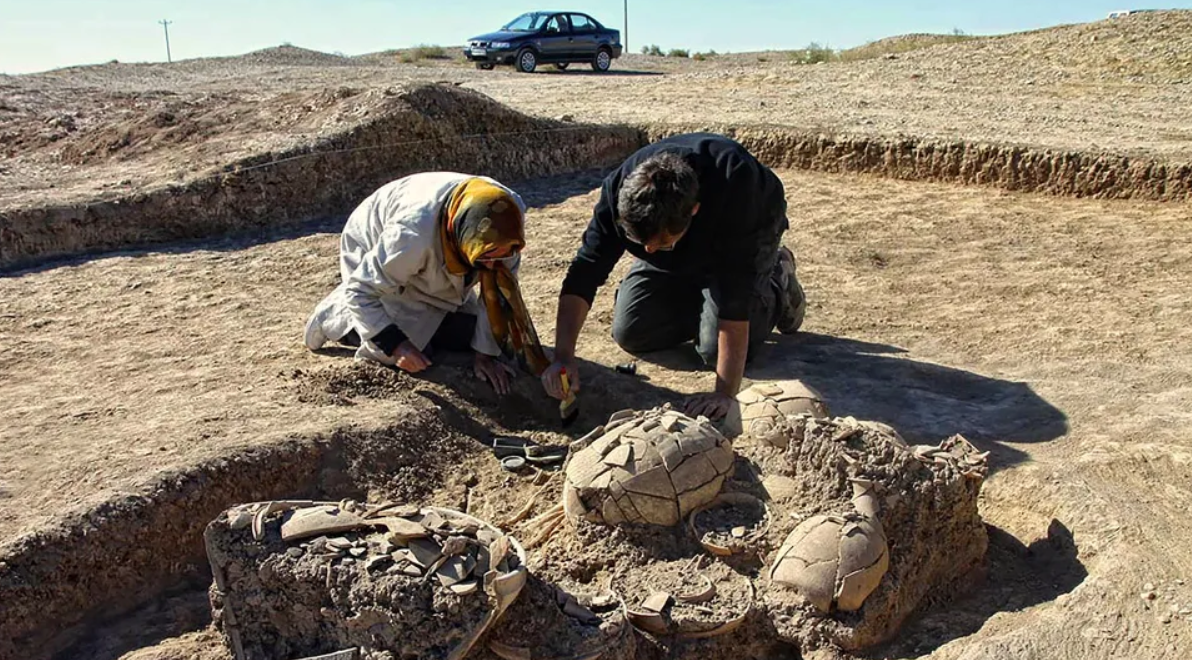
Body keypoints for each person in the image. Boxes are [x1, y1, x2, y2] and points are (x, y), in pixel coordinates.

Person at [540, 133, 805, 418]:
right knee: (631, 331)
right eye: (642, 244)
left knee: (713, 351)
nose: (651, 250)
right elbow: (585, 272)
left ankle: (777, 280)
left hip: (752, 231)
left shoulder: (737, 191)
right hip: (688, 248)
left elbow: (735, 298)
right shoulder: (620, 192)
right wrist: (563, 357)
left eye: (662, 243)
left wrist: (724, 393)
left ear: (694, 211)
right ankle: (701, 297)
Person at [304, 172, 550, 394]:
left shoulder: (506, 221)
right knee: (396, 352)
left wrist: (484, 355)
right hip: (373, 243)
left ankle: (426, 317)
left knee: (488, 341)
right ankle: (335, 318)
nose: (493, 264)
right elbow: (361, 290)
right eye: (487, 256)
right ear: (464, 237)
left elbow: (496, 292)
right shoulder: (410, 236)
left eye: (504, 255)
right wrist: (398, 346)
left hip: (440, 251)